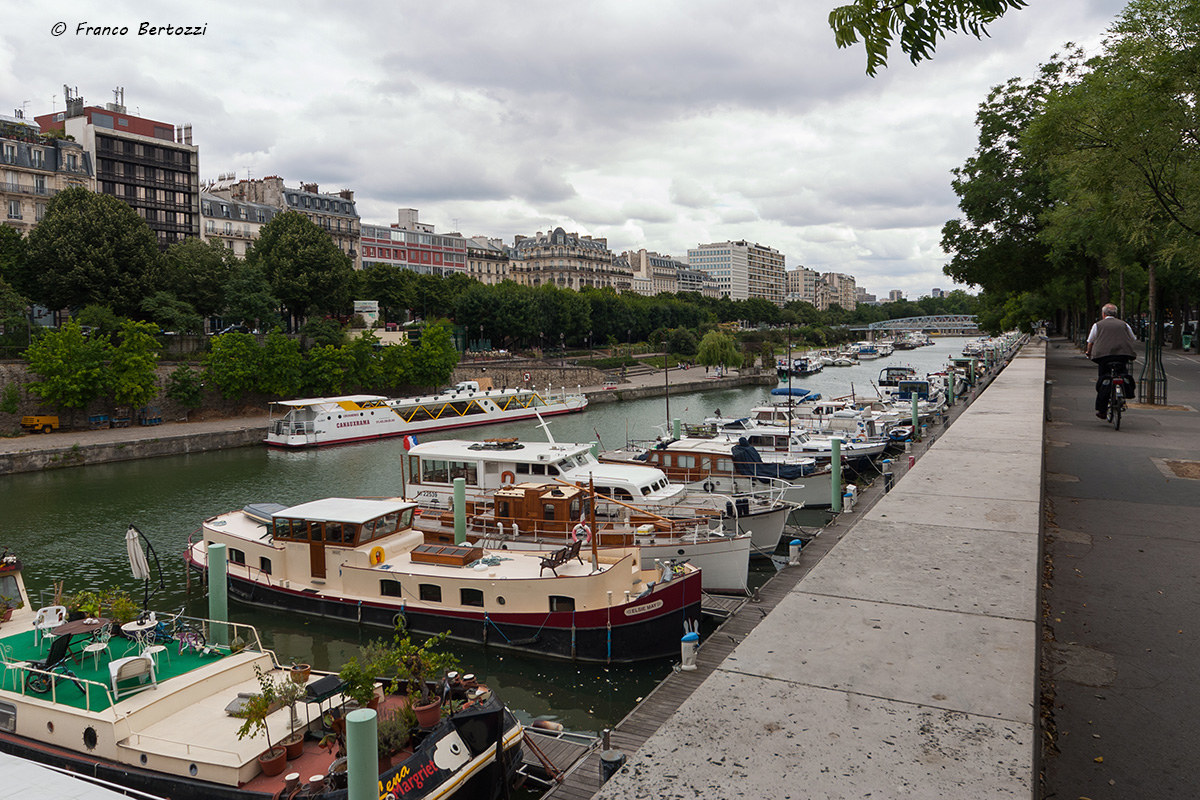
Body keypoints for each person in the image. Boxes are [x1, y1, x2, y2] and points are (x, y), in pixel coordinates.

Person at [1085, 303, 1138, 419]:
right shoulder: (1124, 324)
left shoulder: (1097, 325)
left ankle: (1102, 410)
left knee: (1104, 379)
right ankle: (1123, 393)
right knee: (1122, 373)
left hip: (1104, 357)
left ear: (1103, 314)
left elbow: (1090, 341)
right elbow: (1133, 338)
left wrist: (1088, 352)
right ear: (1116, 314)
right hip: (1122, 355)